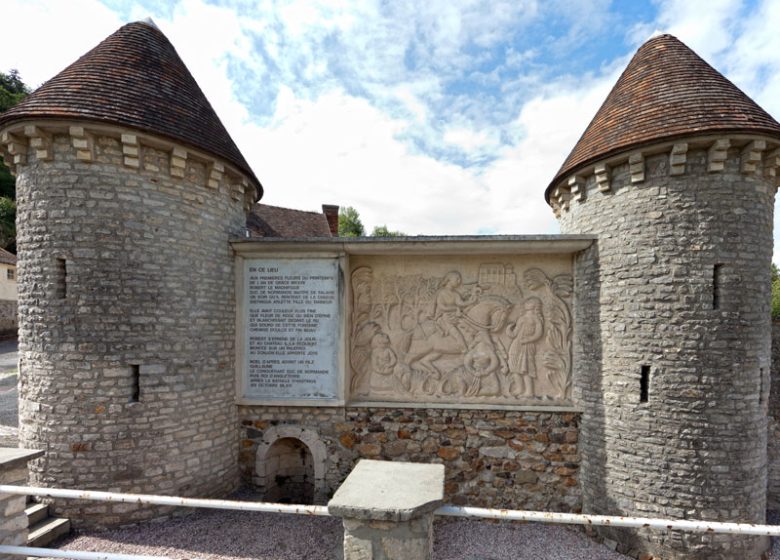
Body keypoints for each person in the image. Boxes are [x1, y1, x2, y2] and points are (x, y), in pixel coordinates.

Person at [506, 297, 544, 397]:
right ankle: (519, 389)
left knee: (526, 367)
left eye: (530, 302)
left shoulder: (536, 318)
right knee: (513, 366)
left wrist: (528, 339)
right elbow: (514, 334)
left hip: (527, 345)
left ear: (535, 305)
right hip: (516, 344)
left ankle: (529, 391)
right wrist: (508, 330)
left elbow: (539, 333)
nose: (527, 303)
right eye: (527, 302)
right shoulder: (521, 318)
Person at [431, 271, 478, 350]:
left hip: (457, 316)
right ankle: (465, 350)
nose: (459, 281)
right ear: (449, 280)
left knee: (471, 328)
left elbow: (461, 303)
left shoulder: (455, 293)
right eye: (457, 279)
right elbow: (442, 307)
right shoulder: (442, 293)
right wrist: (456, 309)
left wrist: (472, 301)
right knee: (457, 335)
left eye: (460, 279)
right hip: (446, 319)